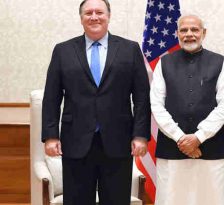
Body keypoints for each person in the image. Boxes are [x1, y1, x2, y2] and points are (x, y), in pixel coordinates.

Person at [41, 0, 151, 204]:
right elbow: (51, 97)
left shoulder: (130, 49)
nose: (94, 17)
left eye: (99, 12)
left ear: (108, 16)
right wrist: (50, 136)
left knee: (116, 199)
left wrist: (140, 135)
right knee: (77, 200)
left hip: (119, 140)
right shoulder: (63, 50)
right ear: (81, 18)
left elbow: (142, 97)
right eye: (88, 13)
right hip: (76, 140)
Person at [150, 14, 224, 205]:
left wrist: (198, 137)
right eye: (184, 30)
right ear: (177, 34)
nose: (189, 34)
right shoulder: (164, 63)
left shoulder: (220, 62)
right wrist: (180, 137)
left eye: (194, 29)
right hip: (172, 148)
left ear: (204, 33)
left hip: (212, 149)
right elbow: (156, 105)